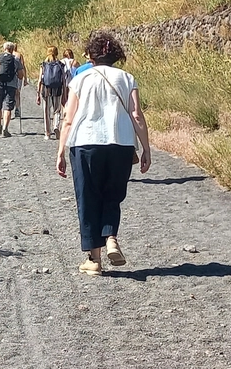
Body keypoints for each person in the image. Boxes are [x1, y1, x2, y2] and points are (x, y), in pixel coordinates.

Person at [55, 31, 151, 276]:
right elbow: (137, 115)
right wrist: (146, 148)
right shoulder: (128, 78)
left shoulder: (80, 79)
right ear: (115, 54)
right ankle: (110, 238)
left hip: (85, 143)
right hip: (121, 143)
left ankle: (93, 259)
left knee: (88, 197)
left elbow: (68, 119)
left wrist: (60, 152)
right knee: (113, 194)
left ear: (92, 55)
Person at [0, 42, 20, 137]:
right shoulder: (15, 59)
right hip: (11, 86)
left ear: (4, 48)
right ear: (13, 49)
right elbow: (21, 75)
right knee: (8, 107)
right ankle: (5, 128)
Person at [35, 46, 69, 139]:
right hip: (57, 89)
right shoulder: (60, 64)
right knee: (57, 110)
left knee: (46, 111)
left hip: (46, 89)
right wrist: (65, 94)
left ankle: (47, 133)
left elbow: (39, 80)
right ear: (57, 53)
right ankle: (56, 126)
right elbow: (64, 80)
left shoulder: (44, 64)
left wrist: (38, 94)